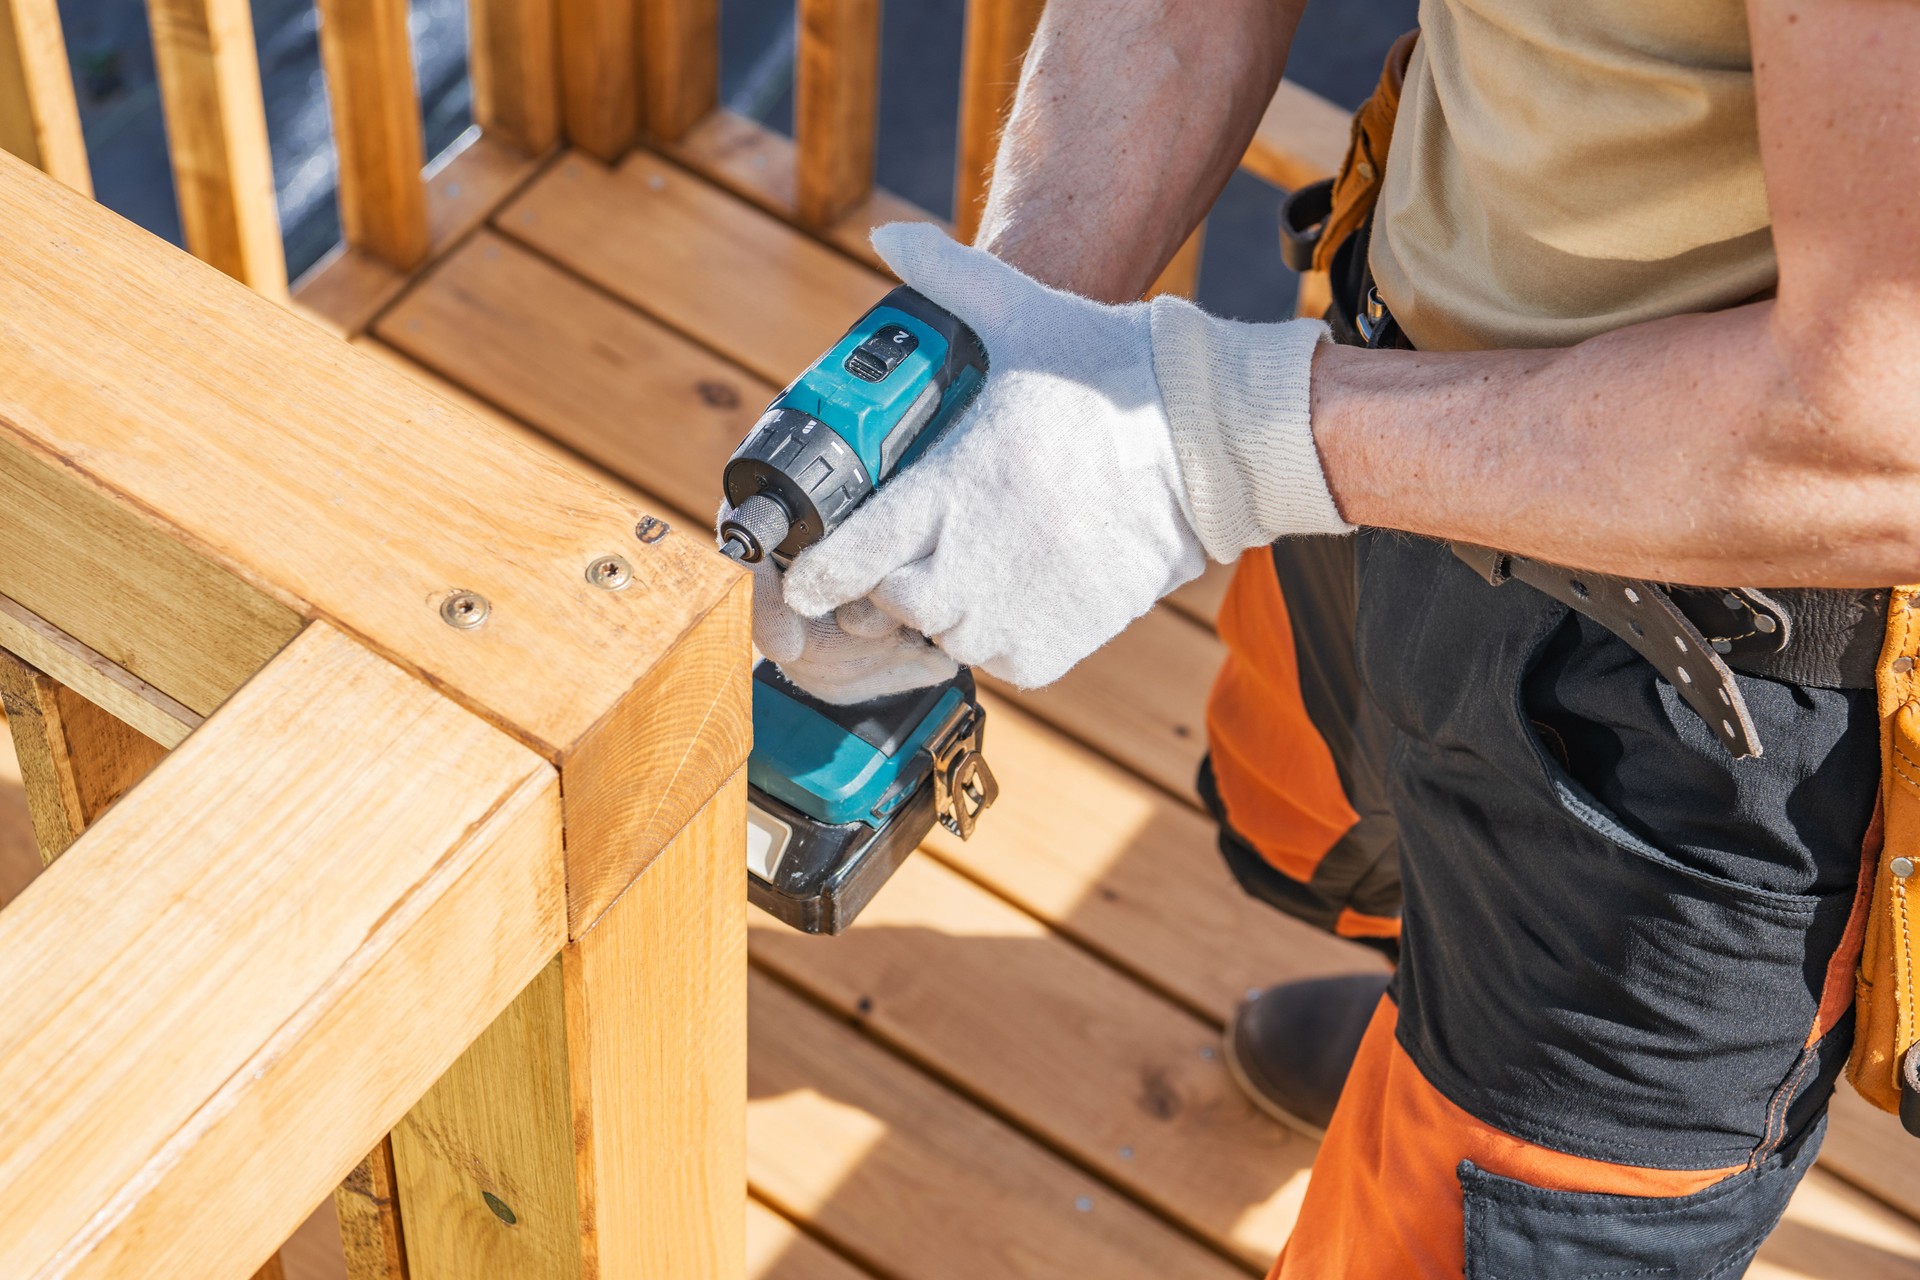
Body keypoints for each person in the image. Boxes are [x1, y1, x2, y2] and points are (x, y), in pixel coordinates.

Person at [734, 0, 1920, 1273]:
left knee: (1505, 1213)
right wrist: (1016, 346)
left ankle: (1472, 1104)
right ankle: (1431, 1029)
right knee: (1336, 818)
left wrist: (1216, 445)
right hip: (1379, 395)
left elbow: (1878, 435)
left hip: (1718, 677)